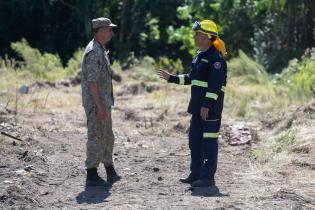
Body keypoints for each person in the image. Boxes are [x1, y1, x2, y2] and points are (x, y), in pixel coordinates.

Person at [158, 20, 227, 187]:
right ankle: (195, 174)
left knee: (209, 143)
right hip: (197, 109)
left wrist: (206, 105)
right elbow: (191, 78)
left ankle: (207, 178)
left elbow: (215, 86)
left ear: (205, 37)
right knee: (194, 141)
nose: (194, 37)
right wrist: (172, 78)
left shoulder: (216, 59)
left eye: (197, 35)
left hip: (209, 110)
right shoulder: (199, 56)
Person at [80, 17, 121, 185]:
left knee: (107, 136)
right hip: (97, 103)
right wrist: (99, 106)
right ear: (100, 31)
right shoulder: (94, 51)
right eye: (109, 29)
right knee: (96, 136)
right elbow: (92, 82)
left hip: (103, 102)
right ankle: (91, 174)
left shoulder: (100, 48)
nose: (111, 32)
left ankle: (109, 169)